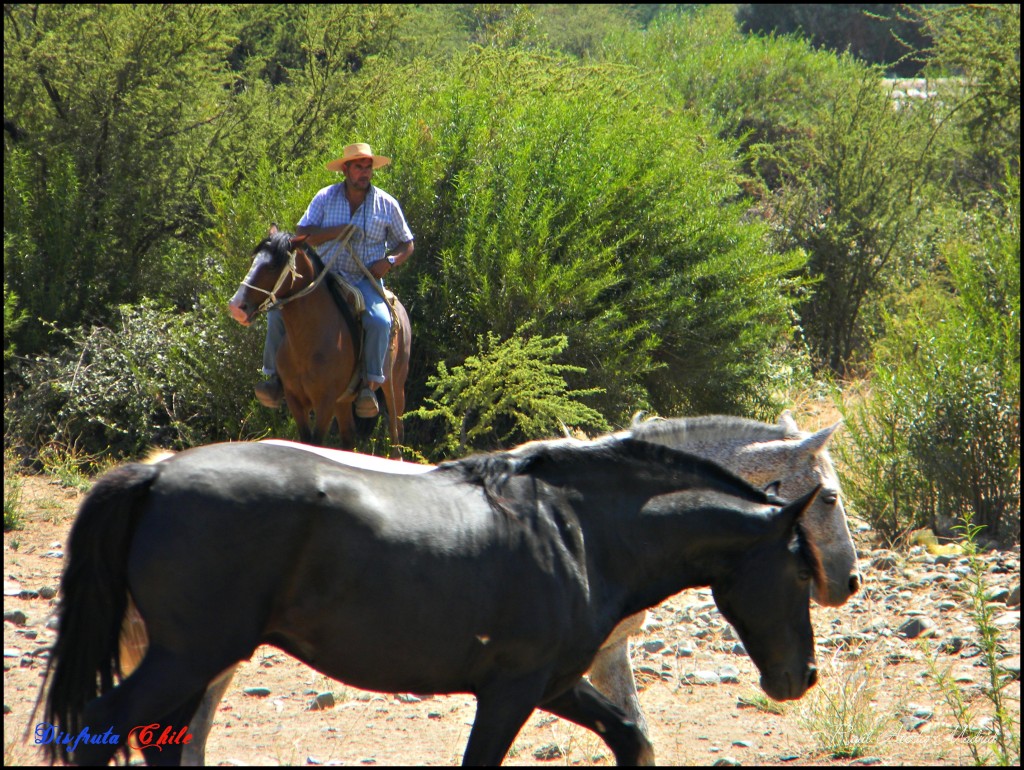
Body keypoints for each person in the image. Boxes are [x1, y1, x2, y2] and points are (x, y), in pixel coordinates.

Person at [255, 143, 414, 418]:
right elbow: (303, 234)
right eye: (358, 167)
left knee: (379, 320)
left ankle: (367, 385)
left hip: (364, 278)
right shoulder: (325, 197)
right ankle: (274, 379)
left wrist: (388, 262)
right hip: (325, 277)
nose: (364, 173)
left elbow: (406, 244)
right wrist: (336, 232)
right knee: (277, 314)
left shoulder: (386, 204)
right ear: (345, 169)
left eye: (368, 167)